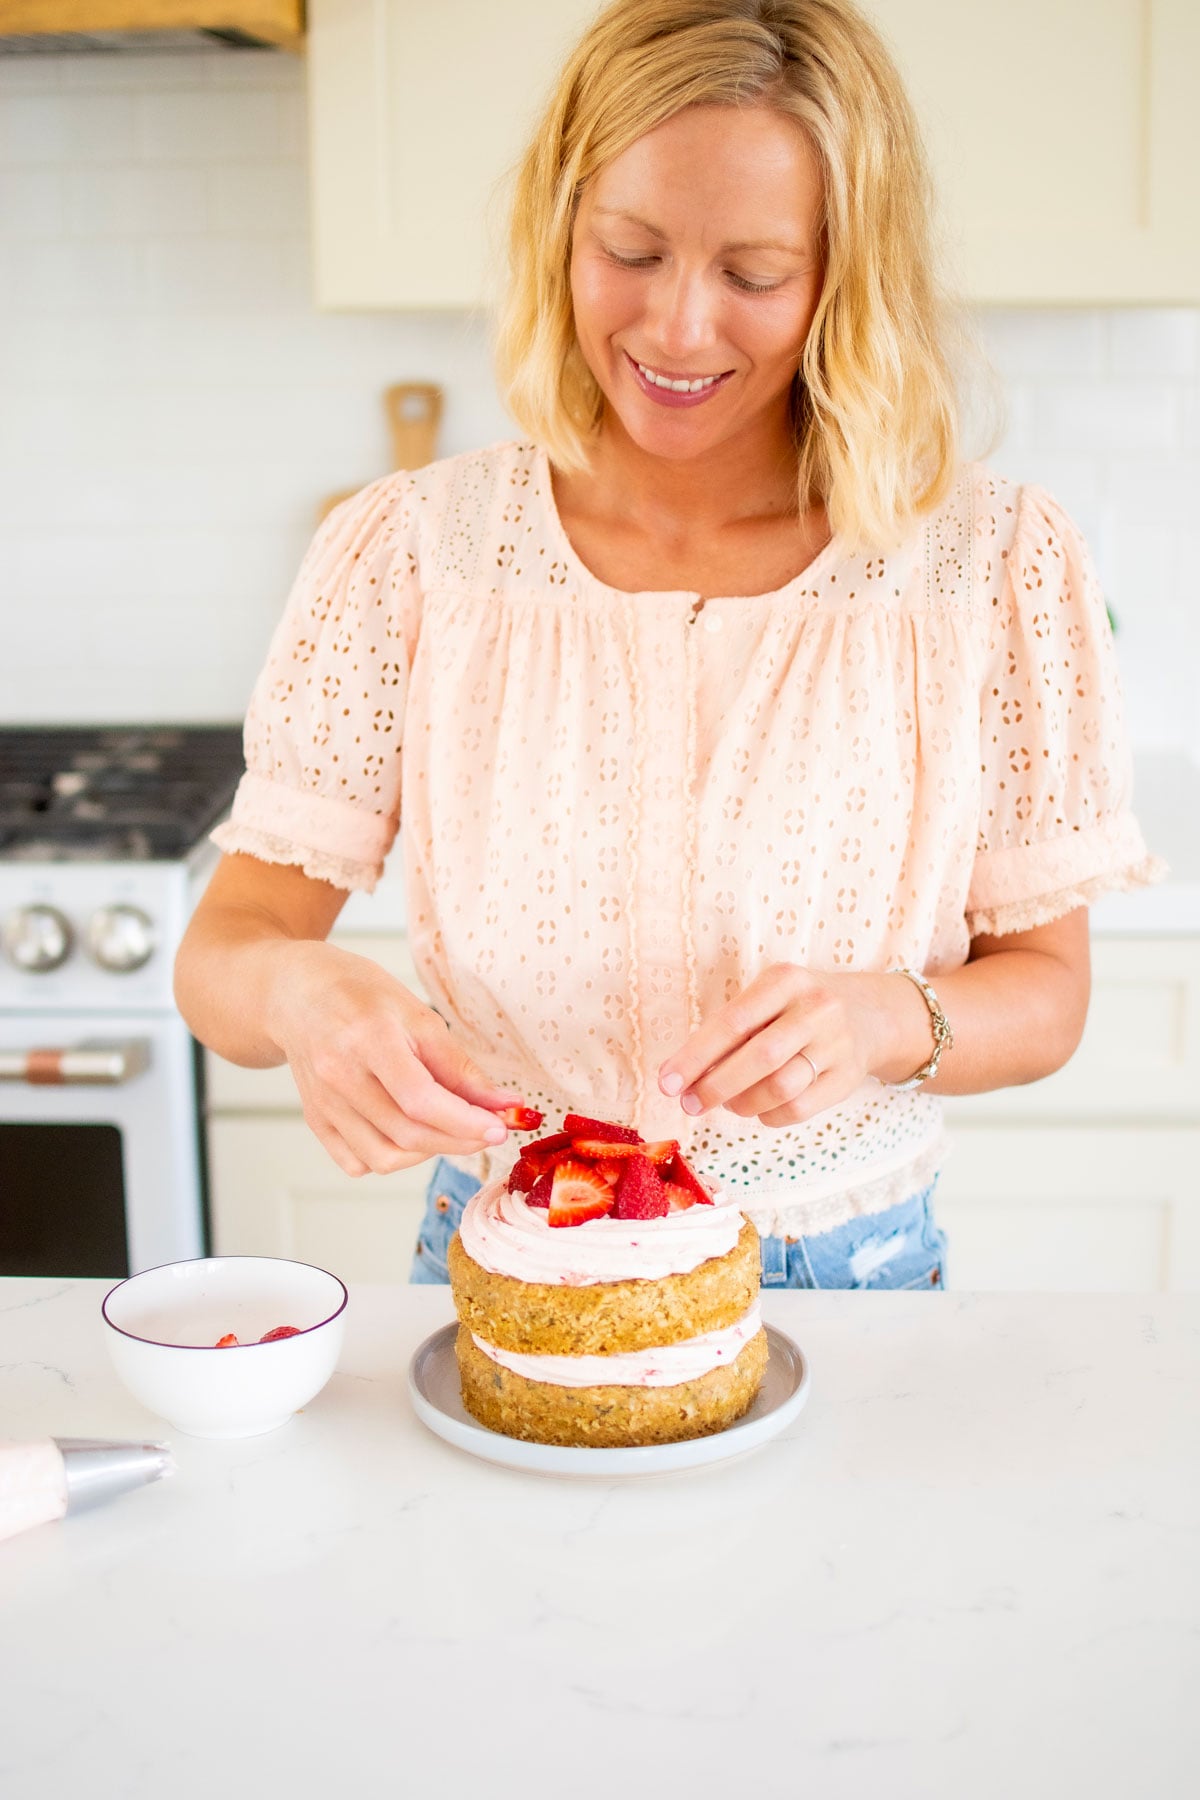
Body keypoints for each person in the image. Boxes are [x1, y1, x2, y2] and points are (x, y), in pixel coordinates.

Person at [174, 0, 1163, 1292]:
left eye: (753, 275)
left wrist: (890, 1020)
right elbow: (224, 951)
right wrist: (302, 997)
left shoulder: (981, 565)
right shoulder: (420, 551)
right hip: (510, 1261)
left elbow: (1048, 997)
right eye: (631, 251)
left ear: (840, 277)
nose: (680, 328)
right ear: (562, 231)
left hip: (846, 1280)